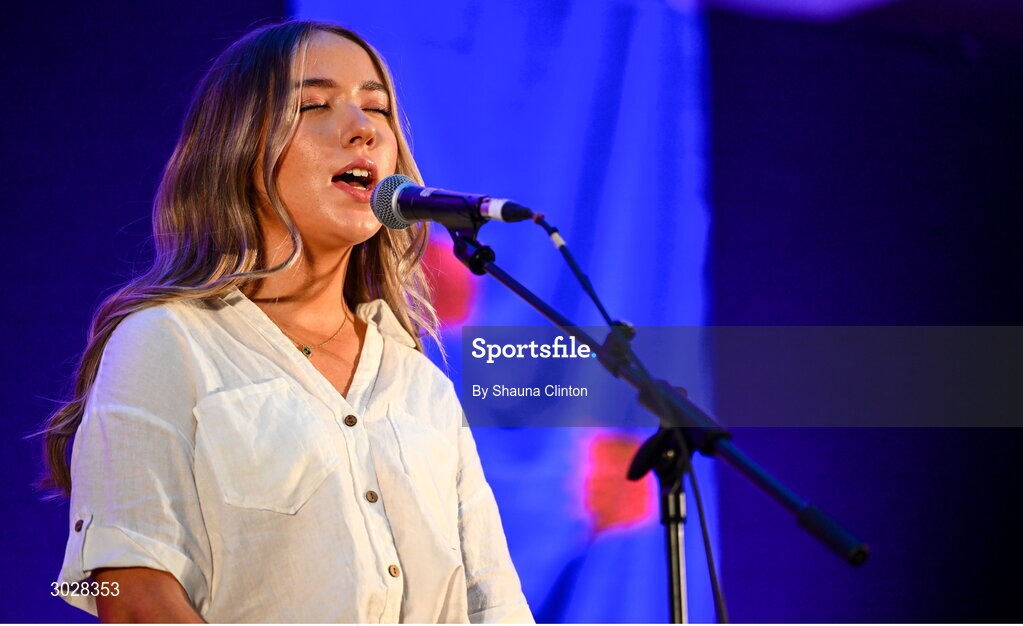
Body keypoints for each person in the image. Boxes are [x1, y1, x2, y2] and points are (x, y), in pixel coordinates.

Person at [40, 20, 533, 624]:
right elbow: (129, 588)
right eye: (315, 104)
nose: (363, 130)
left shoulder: (420, 385)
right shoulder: (167, 343)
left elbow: (496, 604)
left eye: (376, 109)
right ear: (241, 150)